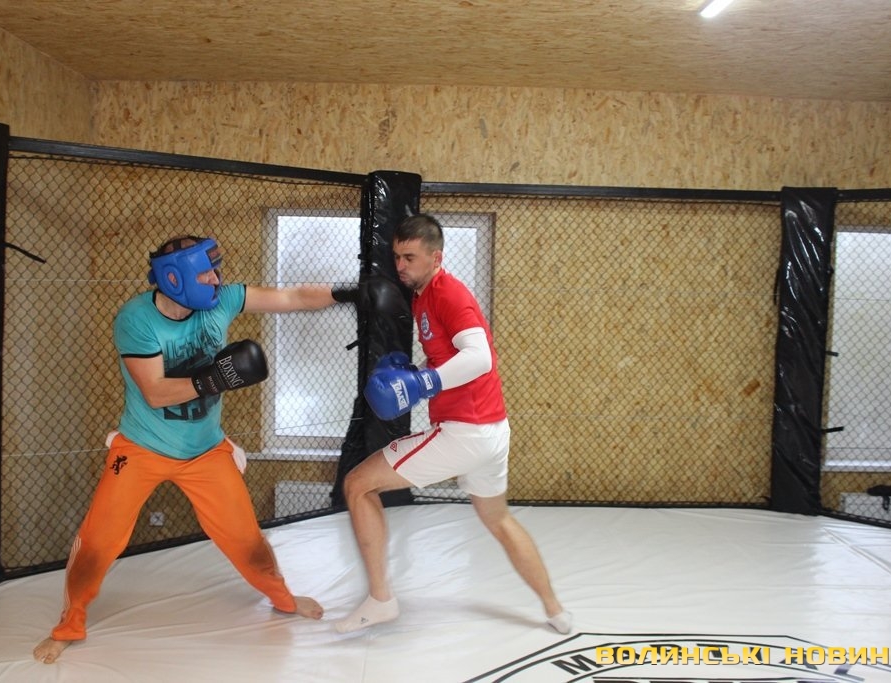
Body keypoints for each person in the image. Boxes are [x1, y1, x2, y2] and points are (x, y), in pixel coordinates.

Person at [34, 235, 353, 664]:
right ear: (174, 278)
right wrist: (216, 378)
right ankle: (68, 625)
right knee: (97, 542)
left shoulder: (221, 300)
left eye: (216, 270)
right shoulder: (136, 319)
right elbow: (155, 392)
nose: (216, 279)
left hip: (206, 451)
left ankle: (283, 598)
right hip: (142, 447)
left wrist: (347, 293)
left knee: (247, 541)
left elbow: (292, 296)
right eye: (206, 273)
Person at [335, 214, 572, 635]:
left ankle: (380, 600)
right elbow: (452, 358)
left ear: (436, 257)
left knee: (358, 484)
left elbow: (480, 357)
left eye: (410, 258)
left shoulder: (448, 293)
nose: (401, 265)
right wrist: (420, 370)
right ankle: (556, 611)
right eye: (397, 257)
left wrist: (426, 381)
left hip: (464, 432)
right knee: (498, 520)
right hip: (493, 432)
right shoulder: (424, 295)